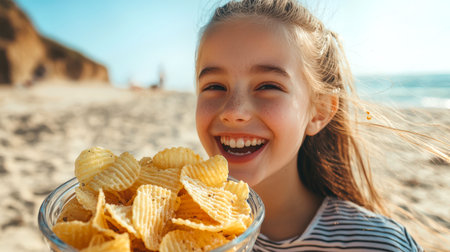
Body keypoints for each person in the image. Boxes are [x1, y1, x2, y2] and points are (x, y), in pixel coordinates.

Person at [194, 0, 427, 251]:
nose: (234, 111)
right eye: (214, 86)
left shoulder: (380, 245)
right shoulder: (162, 228)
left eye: (268, 86)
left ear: (319, 112)